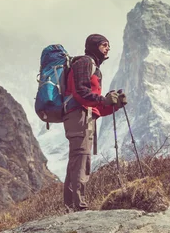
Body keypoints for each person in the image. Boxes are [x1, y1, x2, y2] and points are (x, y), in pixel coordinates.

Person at [62, 33, 127, 211]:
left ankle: (71, 206)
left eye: (108, 46)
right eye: (104, 45)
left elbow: (96, 106)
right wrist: (103, 100)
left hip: (85, 116)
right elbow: (81, 92)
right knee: (81, 158)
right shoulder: (84, 62)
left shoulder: (94, 67)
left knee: (78, 159)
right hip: (78, 115)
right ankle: (78, 205)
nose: (107, 49)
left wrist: (114, 105)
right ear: (93, 46)